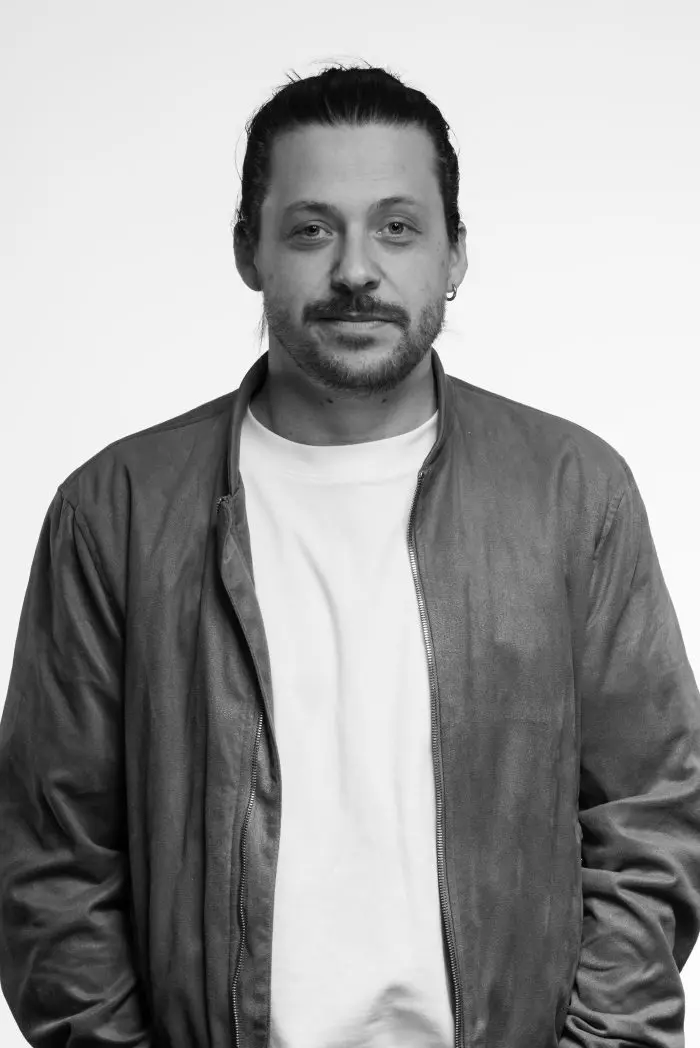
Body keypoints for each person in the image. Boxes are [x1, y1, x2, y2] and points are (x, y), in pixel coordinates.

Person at [1, 61, 699, 1048]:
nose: (356, 269)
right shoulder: (116, 510)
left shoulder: (569, 491)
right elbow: (51, 860)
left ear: (456, 254)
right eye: (311, 227)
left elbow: (650, 817)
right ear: (249, 251)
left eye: (398, 226)